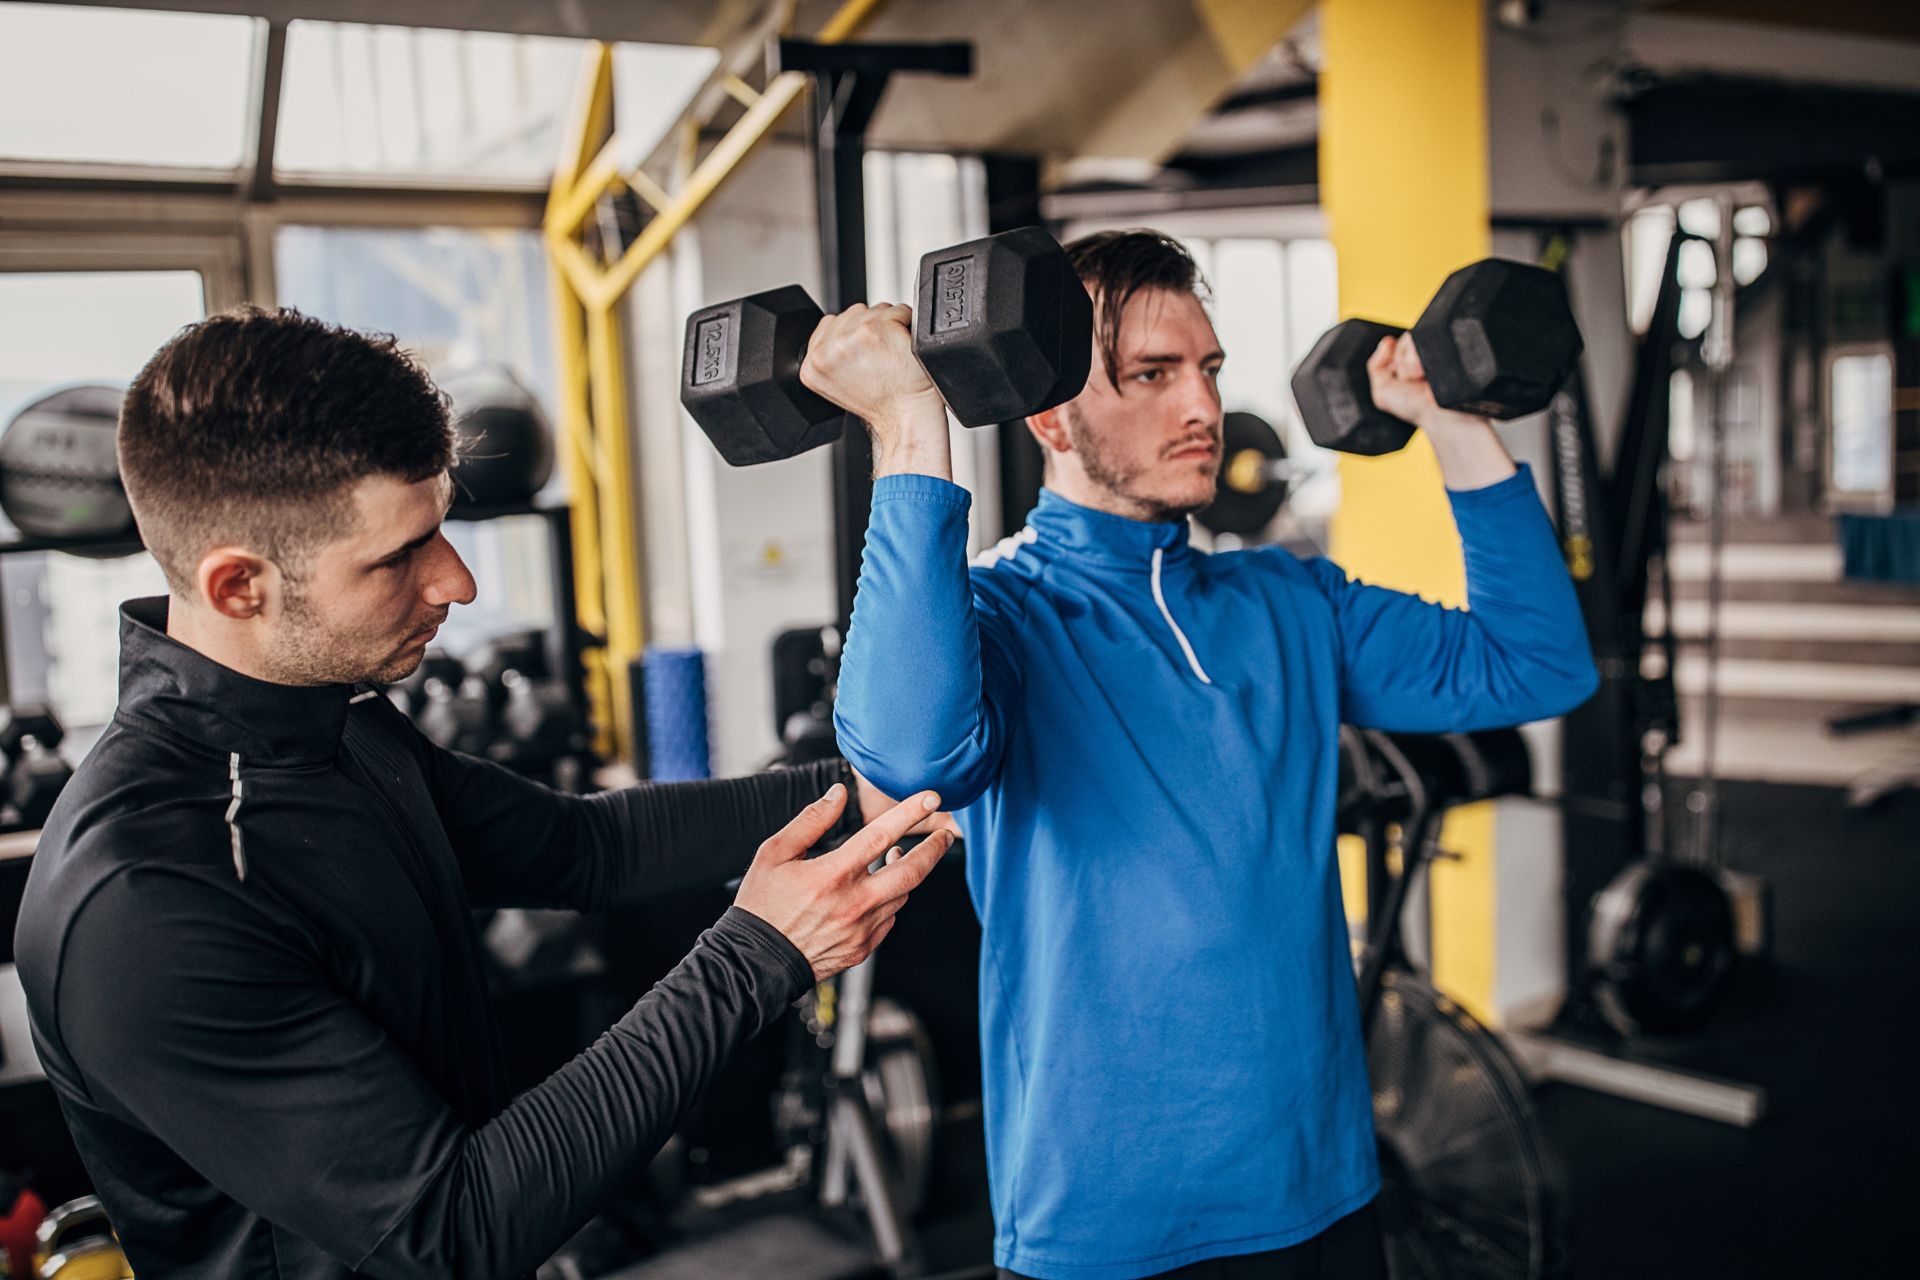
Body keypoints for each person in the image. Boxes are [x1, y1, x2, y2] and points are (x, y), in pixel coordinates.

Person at [12, 306, 953, 1279]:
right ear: (239, 586)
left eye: (441, 528)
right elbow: (449, 1229)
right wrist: (758, 953)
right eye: (399, 555)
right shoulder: (149, 899)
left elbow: (584, 848)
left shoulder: (333, 718)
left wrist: (872, 790)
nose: (456, 582)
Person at [803, 230, 1599, 1280]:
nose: (1203, 406)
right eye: (1152, 374)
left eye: (1209, 368)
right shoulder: (1005, 618)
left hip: (1322, 1186)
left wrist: (1451, 418)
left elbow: (1536, 665)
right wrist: (909, 425)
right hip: (1108, 1221)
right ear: (1049, 416)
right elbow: (911, 759)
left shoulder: (1288, 599)